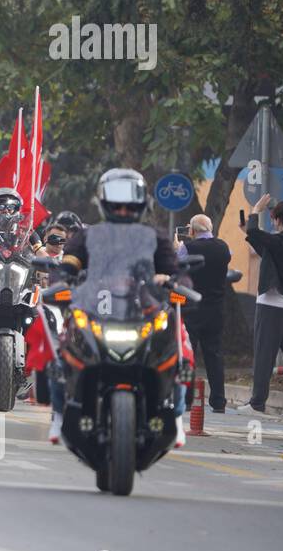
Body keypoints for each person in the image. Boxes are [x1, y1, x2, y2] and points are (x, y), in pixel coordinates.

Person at [57, 168, 183, 444]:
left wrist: (170, 280)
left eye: (130, 202)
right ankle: (60, 413)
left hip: (142, 313)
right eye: (117, 202)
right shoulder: (89, 235)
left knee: (179, 351)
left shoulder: (155, 237)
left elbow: (173, 270)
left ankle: (176, 414)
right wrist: (66, 275)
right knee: (61, 350)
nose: (124, 208)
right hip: (97, 311)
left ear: (142, 202)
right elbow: (70, 261)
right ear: (104, 201)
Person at [239, 195, 283, 413]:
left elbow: (261, 237)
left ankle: (257, 403)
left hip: (271, 305)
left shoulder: (280, 240)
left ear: (275, 219)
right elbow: (267, 252)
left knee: (264, 354)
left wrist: (255, 210)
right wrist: (248, 232)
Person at [177, 214, 231, 412]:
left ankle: (188, 400)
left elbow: (176, 266)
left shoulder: (187, 248)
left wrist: (178, 247)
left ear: (191, 231)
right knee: (214, 354)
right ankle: (219, 402)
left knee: (189, 354)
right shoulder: (224, 247)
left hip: (192, 308)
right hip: (216, 309)